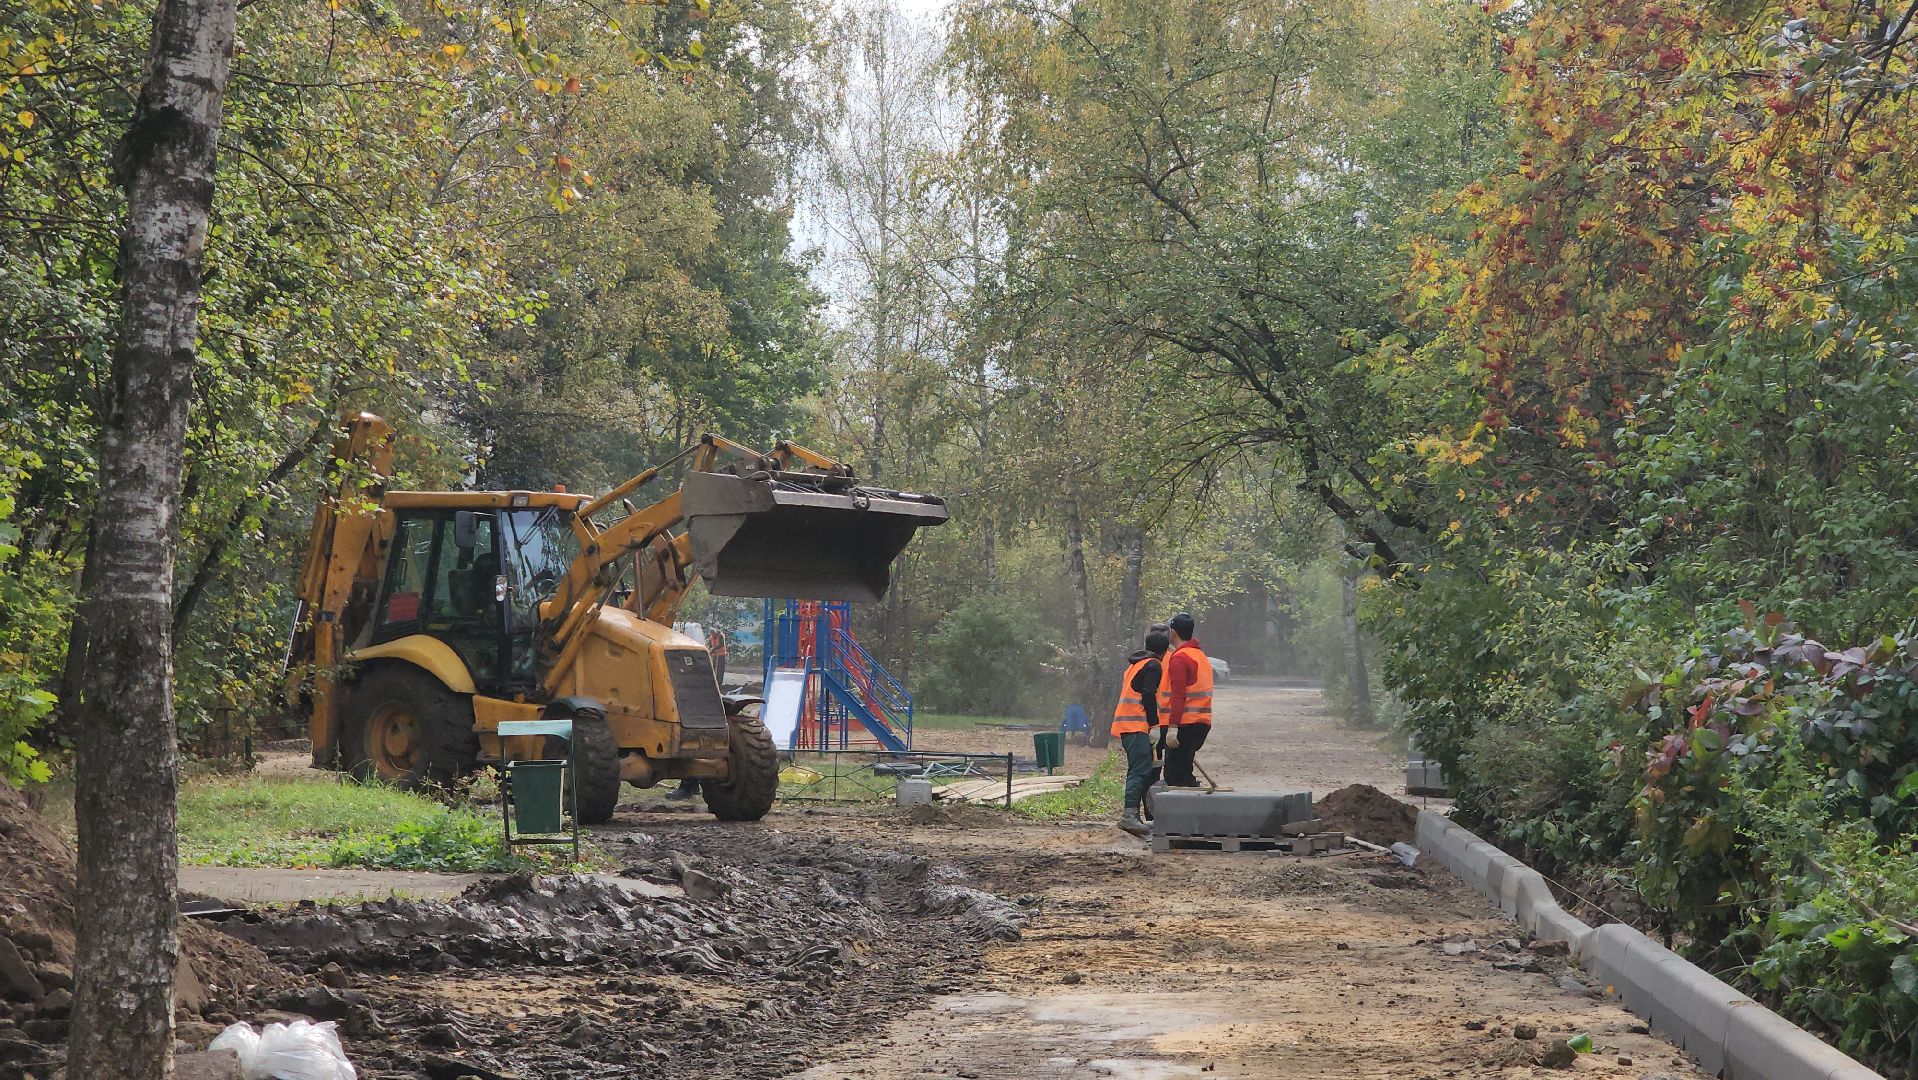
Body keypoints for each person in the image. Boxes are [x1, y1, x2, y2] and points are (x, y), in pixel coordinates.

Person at [1110, 629, 1168, 837]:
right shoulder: (1154, 665)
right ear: (1165, 650)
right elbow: (1148, 694)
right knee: (1140, 770)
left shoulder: (1136, 665)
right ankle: (1129, 816)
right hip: (1136, 726)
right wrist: (1154, 725)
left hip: (1129, 726)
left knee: (1139, 769)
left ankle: (1133, 815)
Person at [1158, 612, 1213, 788]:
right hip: (1200, 724)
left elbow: (1178, 694)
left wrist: (1173, 727)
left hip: (1184, 726)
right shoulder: (1199, 656)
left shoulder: (1180, 659)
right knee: (1183, 773)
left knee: (1175, 778)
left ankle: (1185, 813)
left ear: (1173, 632)